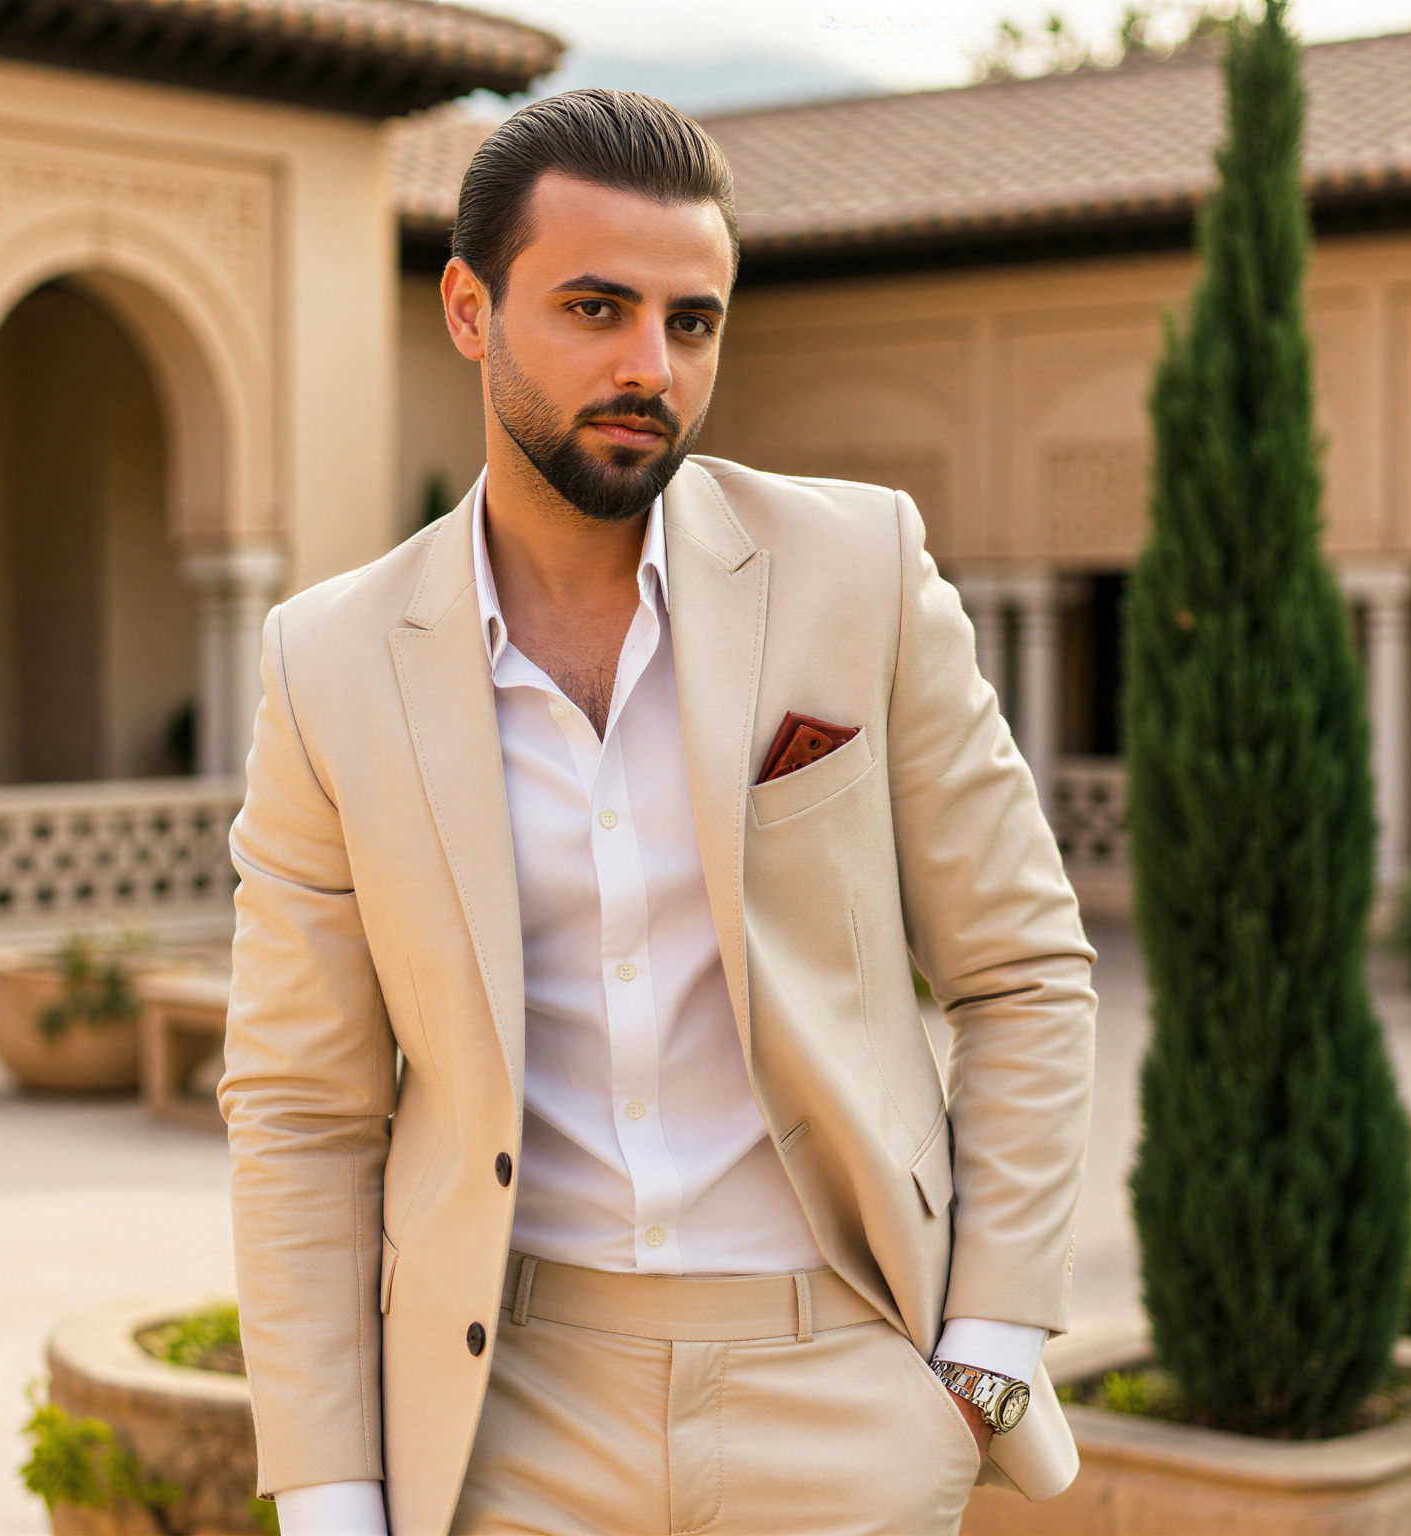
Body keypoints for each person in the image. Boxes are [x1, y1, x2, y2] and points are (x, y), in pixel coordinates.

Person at [219, 88, 1097, 1536]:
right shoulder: (329, 665)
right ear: (467, 308)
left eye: (692, 323)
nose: (651, 366)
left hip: (848, 1392)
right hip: (512, 1413)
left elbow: (1024, 968)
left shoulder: (858, 570)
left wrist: (982, 1366)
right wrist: (330, 1498)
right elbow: (303, 1114)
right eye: (594, 308)